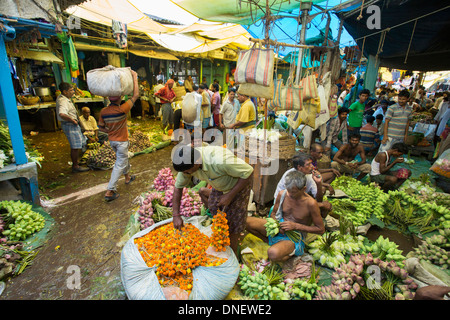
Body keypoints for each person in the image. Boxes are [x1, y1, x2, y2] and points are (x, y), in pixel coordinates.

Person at [171, 145, 254, 255]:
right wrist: (176, 215)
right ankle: (222, 237)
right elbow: (178, 187)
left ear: (197, 162)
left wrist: (229, 195)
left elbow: (248, 172)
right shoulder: (187, 164)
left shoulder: (220, 161)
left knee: (234, 223)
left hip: (238, 185)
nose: (186, 174)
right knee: (216, 210)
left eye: (187, 172)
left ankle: (234, 252)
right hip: (219, 183)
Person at [246, 170, 325, 262]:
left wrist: (295, 226)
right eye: (288, 190)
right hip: (279, 228)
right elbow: (273, 213)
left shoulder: (311, 203)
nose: (290, 194)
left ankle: (289, 251)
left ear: (303, 189)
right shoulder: (283, 194)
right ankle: (269, 241)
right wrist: (277, 224)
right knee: (245, 221)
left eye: (294, 192)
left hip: (294, 236)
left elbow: (320, 229)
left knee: (273, 254)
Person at [98, 70, 139, 201]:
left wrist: (110, 132)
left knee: (123, 158)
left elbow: (100, 127)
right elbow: (136, 95)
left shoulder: (103, 111)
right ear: (120, 98)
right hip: (121, 141)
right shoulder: (122, 110)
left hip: (112, 141)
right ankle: (110, 191)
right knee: (119, 164)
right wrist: (134, 77)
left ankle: (127, 177)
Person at [274, 152, 333, 218]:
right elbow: (293, 202)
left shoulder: (309, 176)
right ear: (299, 167)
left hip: (297, 201)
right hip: (284, 204)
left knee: (323, 200)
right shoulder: (291, 177)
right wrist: (321, 205)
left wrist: (318, 183)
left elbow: (318, 199)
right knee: (320, 206)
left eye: (311, 163)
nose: (312, 166)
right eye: (308, 164)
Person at [56, 82, 89, 173]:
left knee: (78, 144)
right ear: (65, 92)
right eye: (71, 90)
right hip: (69, 125)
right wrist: (72, 120)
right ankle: (75, 166)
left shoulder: (65, 99)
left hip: (71, 125)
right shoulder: (63, 101)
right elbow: (62, 113)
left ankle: (77, 162)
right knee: (75, 146)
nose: (73, 92)